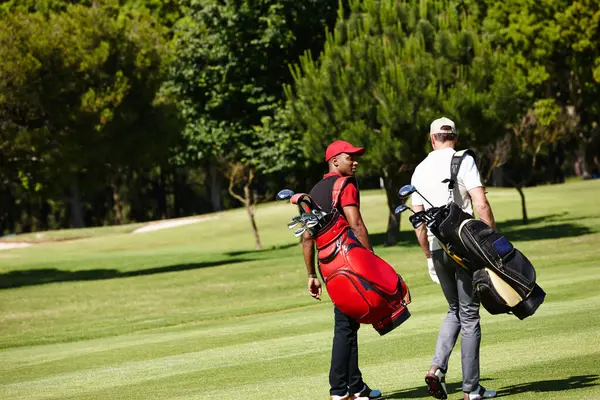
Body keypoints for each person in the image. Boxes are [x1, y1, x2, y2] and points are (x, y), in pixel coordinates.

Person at [410, 118, 498, 400]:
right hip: (465, 248)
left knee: (454, 310)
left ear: (431, 139)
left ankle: (436, 368)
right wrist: (492, 243)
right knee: (470, 315)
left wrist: (427, 256)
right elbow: (481, 202)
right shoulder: (464, 160)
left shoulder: (419, 169)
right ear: (455, 138)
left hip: (437, 249)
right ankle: (471, 390)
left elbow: (418, 224)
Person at [302, 140, 382, 400]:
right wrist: (372, 263)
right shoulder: (345, 185)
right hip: (349, 263)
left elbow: (306, 237)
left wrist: (311, 275)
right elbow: (356, 224)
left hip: (327, 267)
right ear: (335, 161)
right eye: (351, 157)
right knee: (345, 327)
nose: (355, 161)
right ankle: (338, 390)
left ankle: (356, 387)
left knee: (349, 322)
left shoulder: (313, 191)